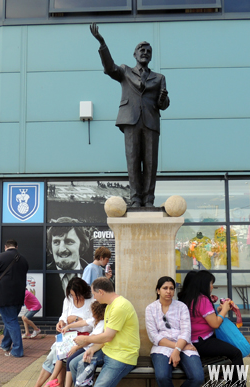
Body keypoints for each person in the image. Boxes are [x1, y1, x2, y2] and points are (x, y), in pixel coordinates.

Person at [90, 23, 170, 208]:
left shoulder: (159, 78)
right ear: (135, 54)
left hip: (151, 122)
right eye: (141, 50)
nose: (145, 52)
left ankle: (149, 199)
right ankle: (135, 199)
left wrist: (163, 99)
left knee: (150, 163)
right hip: (131, 121)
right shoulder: (125, 71)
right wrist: (102, 44)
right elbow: (110, 68)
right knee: (133, 161)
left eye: (148, 51)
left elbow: (163, 105)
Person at [179, 271, 250, 387]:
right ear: (205, 284)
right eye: (211, 283)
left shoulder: (188, 298)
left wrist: (217, 311)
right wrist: (224, 310)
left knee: (227, 349)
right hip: (203, 342)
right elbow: (215, 323)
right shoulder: (202, 299)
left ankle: (231, 382)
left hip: (193, 341)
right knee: (236, 353)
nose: (212, 286)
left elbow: (203, 317)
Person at [22, 277, 94, 387]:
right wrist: (60, 322)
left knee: (56, 353)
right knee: (56, 353)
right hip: (68, 334)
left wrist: (76, 319)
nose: (75, 298)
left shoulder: (92, 300)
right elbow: (63, 316)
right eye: (72, 295)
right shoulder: (68, 299)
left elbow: (94, 324)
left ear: (84, 292)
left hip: (83, 337)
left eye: (77, 295)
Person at [70, 277, 140, 387]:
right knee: (74, 364)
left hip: (122, 357)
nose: (94, 297)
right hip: (108, 351)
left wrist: (86, 340)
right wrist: (92, 349)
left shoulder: (119, 307)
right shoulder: (109, 306)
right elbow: (107, 337)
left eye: (94, 294)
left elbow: (108, 336)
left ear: (101, 292)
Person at [146, 276, 204, 387]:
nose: (168, 291)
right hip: (162, 347)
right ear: (158, 290)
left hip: (184, 345)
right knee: (162, 377)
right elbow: (153, 336)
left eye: (171, 288)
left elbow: (186, 331)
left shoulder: (181, 307)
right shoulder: (150, 309)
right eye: (165, 288)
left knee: (198, 378)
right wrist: (176, 348)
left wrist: (178, 349)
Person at [54, 301, 107, 387]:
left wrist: (76, 347)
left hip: (93, 349)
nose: (90, 313)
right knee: (70, 361)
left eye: (92, 311)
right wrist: (68, 326)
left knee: (74, 363)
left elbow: (91, 339)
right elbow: (83, 322)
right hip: (87, 347)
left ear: (96, 312)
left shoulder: (101, 323)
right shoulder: (95, 320)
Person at [0, 239, 29, 358]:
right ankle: (5, 344)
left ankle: (17, 350)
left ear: (6, 247)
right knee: (11, 320)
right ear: (17, 246)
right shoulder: (23, 259)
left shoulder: (1, 256)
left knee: (11, 321)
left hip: (4, 296)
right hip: (19, 295)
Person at [46, 219, 90, 316]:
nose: (62, 249)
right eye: (56, 242)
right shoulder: (44, 278)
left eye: (69, 241)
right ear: (50, 248)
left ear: (81, 246)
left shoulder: (95, 273)